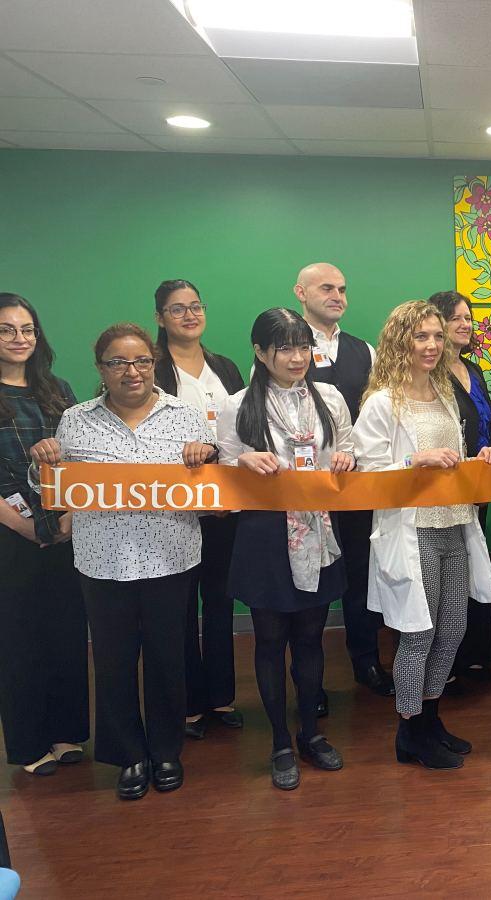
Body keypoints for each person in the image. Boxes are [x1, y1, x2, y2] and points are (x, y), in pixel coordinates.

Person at [34, 323, 215, 800]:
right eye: (118, 362)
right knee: (113, 663)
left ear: (153, 364)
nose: (132, 371)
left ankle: (167, 750)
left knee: (167, 659)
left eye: (141, 361)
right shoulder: (75, 421)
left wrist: (208, 457)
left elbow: (211, 486)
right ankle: (128, 754)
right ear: (101, 369)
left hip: (171, 558)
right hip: (102, 562)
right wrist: (43, 465)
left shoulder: (186, 416)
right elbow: (53, 492)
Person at [354, 302, 491, 769]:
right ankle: (409, 730)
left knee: (453, 630)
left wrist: (480, 458)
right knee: (419, 634)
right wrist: (414, 461)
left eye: (437, 336)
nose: (433, 345)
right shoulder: (382, 403)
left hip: (454, 523)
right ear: (401, 341)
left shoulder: (444, 394)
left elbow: (452, 459)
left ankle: (431, 719)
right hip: (411, 530)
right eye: (421, 337)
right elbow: (367, 473)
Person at [217, 308, 355, 790]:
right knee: (270, 640)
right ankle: (279, 741)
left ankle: (312, 734)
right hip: (265, 535)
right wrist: (240, 462)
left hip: (317, 531)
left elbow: (349, 447)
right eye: (286, 348)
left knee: (312, 638)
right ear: (260, 352)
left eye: (303, 347)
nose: (298, 358)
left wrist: (346, 456)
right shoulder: (238, 404)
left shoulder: (330, 398)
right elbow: (224, 463)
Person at [152, 279, 246, 739]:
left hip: (224, 509)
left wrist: (229, 492)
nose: (189, 316)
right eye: (177, 309)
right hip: (173, 510)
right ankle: (188, 703)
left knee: (221, 602)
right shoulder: (147, 370)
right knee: (181, 607)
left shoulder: (225, 368)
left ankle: (220, 697)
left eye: (196, 307)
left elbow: (245, 431)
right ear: (160, 318)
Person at [0, 293, 88, 777]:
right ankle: (30, 743)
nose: (19, 339)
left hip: (66, 528)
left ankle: (67, 734)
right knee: (19, 639)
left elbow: (81, 456)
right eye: (7, 330)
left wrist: (68, 517)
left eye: (27, 329)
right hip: (10, 535)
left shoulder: (56, 390)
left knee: (66, 632)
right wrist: (23, 525)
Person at [295, 262, 391, 704]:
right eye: (327, 288)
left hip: (356, 485)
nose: (338, 296)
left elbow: (376, 412)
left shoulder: (364, 351)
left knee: (359, 573)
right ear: (301, 292)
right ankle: (309, 684)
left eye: (343, 289)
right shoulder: (287, 346)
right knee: (308, 582)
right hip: (303, 489)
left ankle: (366, 661)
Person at [428, 290, 491, 684]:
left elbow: (489, 425)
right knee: (447, 571)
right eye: (455, 317)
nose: (465, 324)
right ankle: (445, 663)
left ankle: (475, 653)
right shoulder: (428, 375)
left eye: (468, 317)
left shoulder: (475, 371)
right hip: (444, 488)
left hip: (480, 482)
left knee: (477, 563)